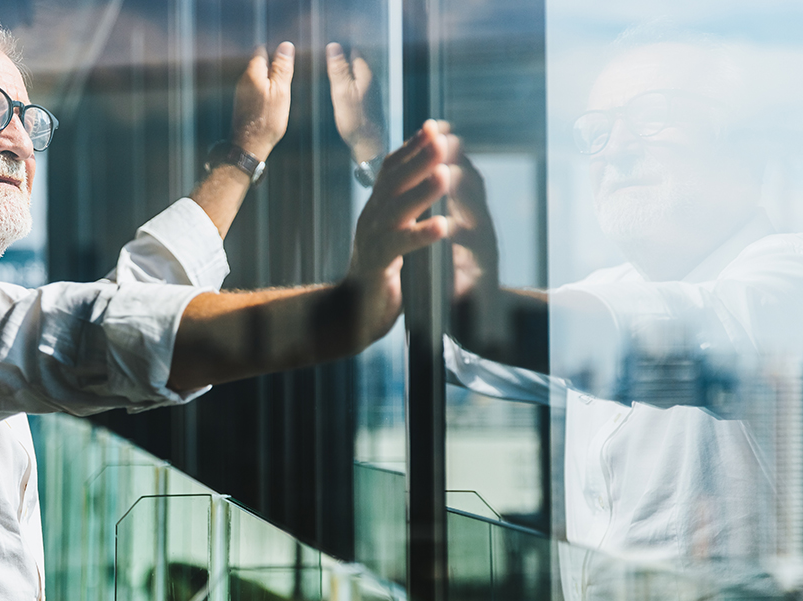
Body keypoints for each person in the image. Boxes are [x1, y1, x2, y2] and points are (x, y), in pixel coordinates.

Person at [0, 6, 452, 600]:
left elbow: (124, 300)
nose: (17, 139)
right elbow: (82, 335)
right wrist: (343, 309)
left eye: (27, 118)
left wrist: (242, 156)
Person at [326, 26, 803, 596]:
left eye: (652, 115)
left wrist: (486, 302)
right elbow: (466, 351)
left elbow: (647, 335)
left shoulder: (785, 275)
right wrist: (380, 159)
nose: (617, 148)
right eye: (597, 131)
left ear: (742, 141)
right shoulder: (610, 289)